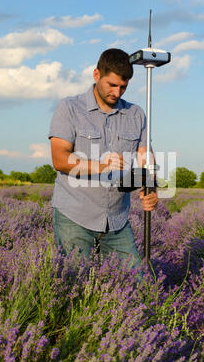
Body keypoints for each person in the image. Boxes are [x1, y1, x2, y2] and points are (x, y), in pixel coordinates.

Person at [48, 48, 158, 279]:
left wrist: (150, 188)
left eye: (123, 87)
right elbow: (60, 159)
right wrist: (101, 165)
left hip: (117, 220)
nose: (117, 92)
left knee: (136, 285)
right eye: (111, 85)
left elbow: (145, 159)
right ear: (96, 74)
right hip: (75, 216)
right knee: (75, 287)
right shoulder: (70, 108)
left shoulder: (136, 114)